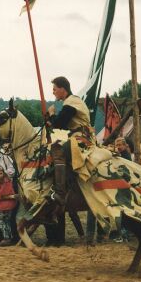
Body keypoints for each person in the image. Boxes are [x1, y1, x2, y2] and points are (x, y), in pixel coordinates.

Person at [47, 76, 94, 205]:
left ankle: (61, 192)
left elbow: (59, 124)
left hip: (81, 137)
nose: (53, 92)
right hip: (78, 135)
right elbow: (59, 123)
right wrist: (51, 119)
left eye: (55, 89)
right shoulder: (72, 102)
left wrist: (51, 114)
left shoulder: (71, 102)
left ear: (63, 89)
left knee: (57, 150)